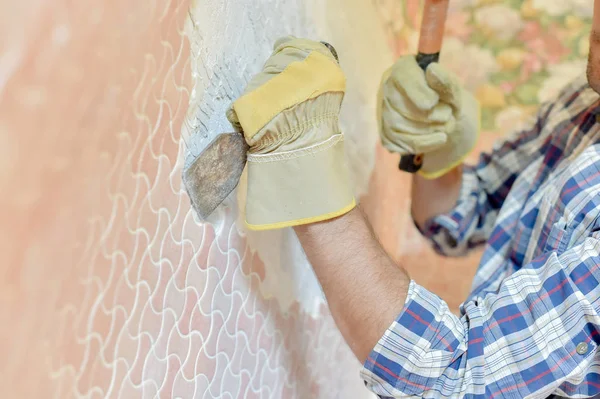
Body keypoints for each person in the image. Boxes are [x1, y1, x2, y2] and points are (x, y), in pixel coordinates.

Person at [225, 2, 600, 397]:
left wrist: (305, 170)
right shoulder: (586, 102)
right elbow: (460, 220)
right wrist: (436, 154)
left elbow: (450, 380)